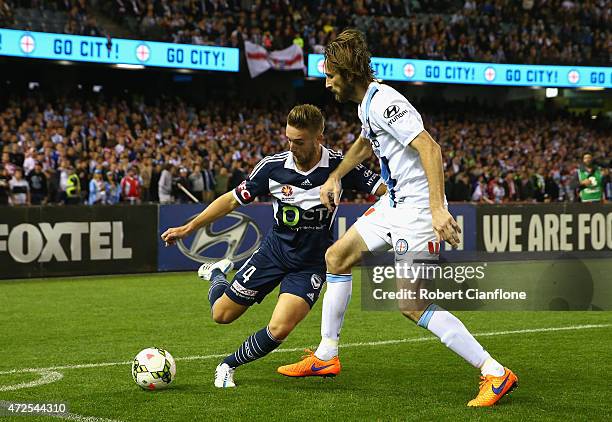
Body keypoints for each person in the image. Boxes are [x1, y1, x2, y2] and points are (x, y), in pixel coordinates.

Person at [277, 29, 517, 408]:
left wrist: (438, 208)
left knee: (411, 304)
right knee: (336, 257)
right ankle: (326, 357)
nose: (326, 83)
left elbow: (429, 147)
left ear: (349, 74)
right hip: (394, 204)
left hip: (418, 210)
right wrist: (336, 175)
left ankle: (494, 372)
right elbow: (364, 141)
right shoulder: (366, 104)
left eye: (330, 75)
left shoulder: (386, 101)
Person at [161, 104, 385, 388]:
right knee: (221, 315)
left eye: (299, 141)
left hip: (310, 263)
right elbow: (231, 200)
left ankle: (228, 364)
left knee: (280, 327)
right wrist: (188, 227)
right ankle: (218, 273)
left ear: (319, 137)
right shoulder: (272, 167)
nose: (292, 146)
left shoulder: (341, 166)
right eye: (288, 139)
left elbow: (386, 191)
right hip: (273, 253)